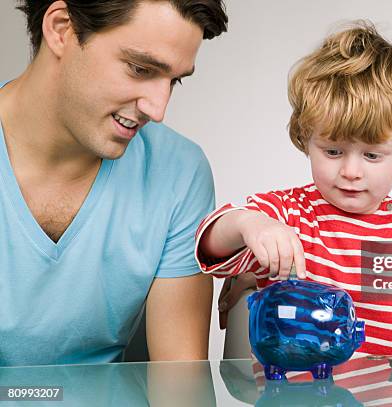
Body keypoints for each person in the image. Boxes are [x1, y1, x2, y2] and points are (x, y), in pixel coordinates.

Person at [195, 23, 392, 363]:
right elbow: (210, 245)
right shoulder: (286, 216)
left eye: (372, 155)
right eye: (332, 151)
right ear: (305, 138)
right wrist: (247, 224)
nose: (351, 172)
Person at [0, 0, 228, 366]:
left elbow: (180, 383)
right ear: (61, 29)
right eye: (140, 68)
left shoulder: (179, 173)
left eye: (175, 80)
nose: (158, 109)